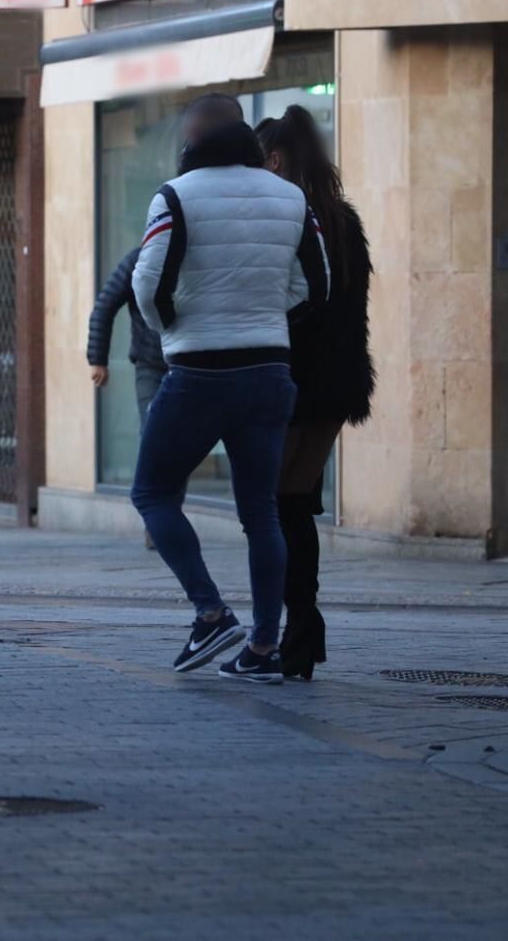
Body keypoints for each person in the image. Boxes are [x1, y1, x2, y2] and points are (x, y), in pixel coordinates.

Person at [130, 93, 329, 685]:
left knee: (152, 492)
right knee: (261, 513)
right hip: (270, 371)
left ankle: (211, 612)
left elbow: (147, 283)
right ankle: (264, 648)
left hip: (198, 372)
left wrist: (175, 327)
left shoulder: (175, 195)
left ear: (194, 136)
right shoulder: (291, 197)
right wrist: (266, 315)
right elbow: (316, 284)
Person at [256, 106, 375, 681]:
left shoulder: (288, 218)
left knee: (276, 507)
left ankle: (296, 629)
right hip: (338, 382)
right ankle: (302, 629)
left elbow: (293, 302)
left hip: (294, 380)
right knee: (295, 504)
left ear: (275, 160)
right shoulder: (344, 219)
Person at [87, 245, 173, 546]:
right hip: (151, 365)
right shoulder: (138, 259)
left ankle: (166, 515)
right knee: (153, 434)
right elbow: (105, 305)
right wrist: (97, 359)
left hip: (188, 362)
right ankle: (156, 520)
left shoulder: (192, 255)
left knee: (182, 442)